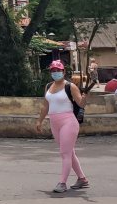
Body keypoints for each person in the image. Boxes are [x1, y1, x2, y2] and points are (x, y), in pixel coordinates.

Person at [34, 60, 89, 193]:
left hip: (68, 121)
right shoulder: (48, 86)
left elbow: (81, 104)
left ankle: (62, 182)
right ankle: (82, 178)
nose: (56, 73)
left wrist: (85, 97)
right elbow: (45, 105)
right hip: (54, 122)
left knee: (65, 153)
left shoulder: (70, 86)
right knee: (69, 152)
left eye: (58, 70)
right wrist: (39, 121)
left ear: (64, 72)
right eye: (53, 71)